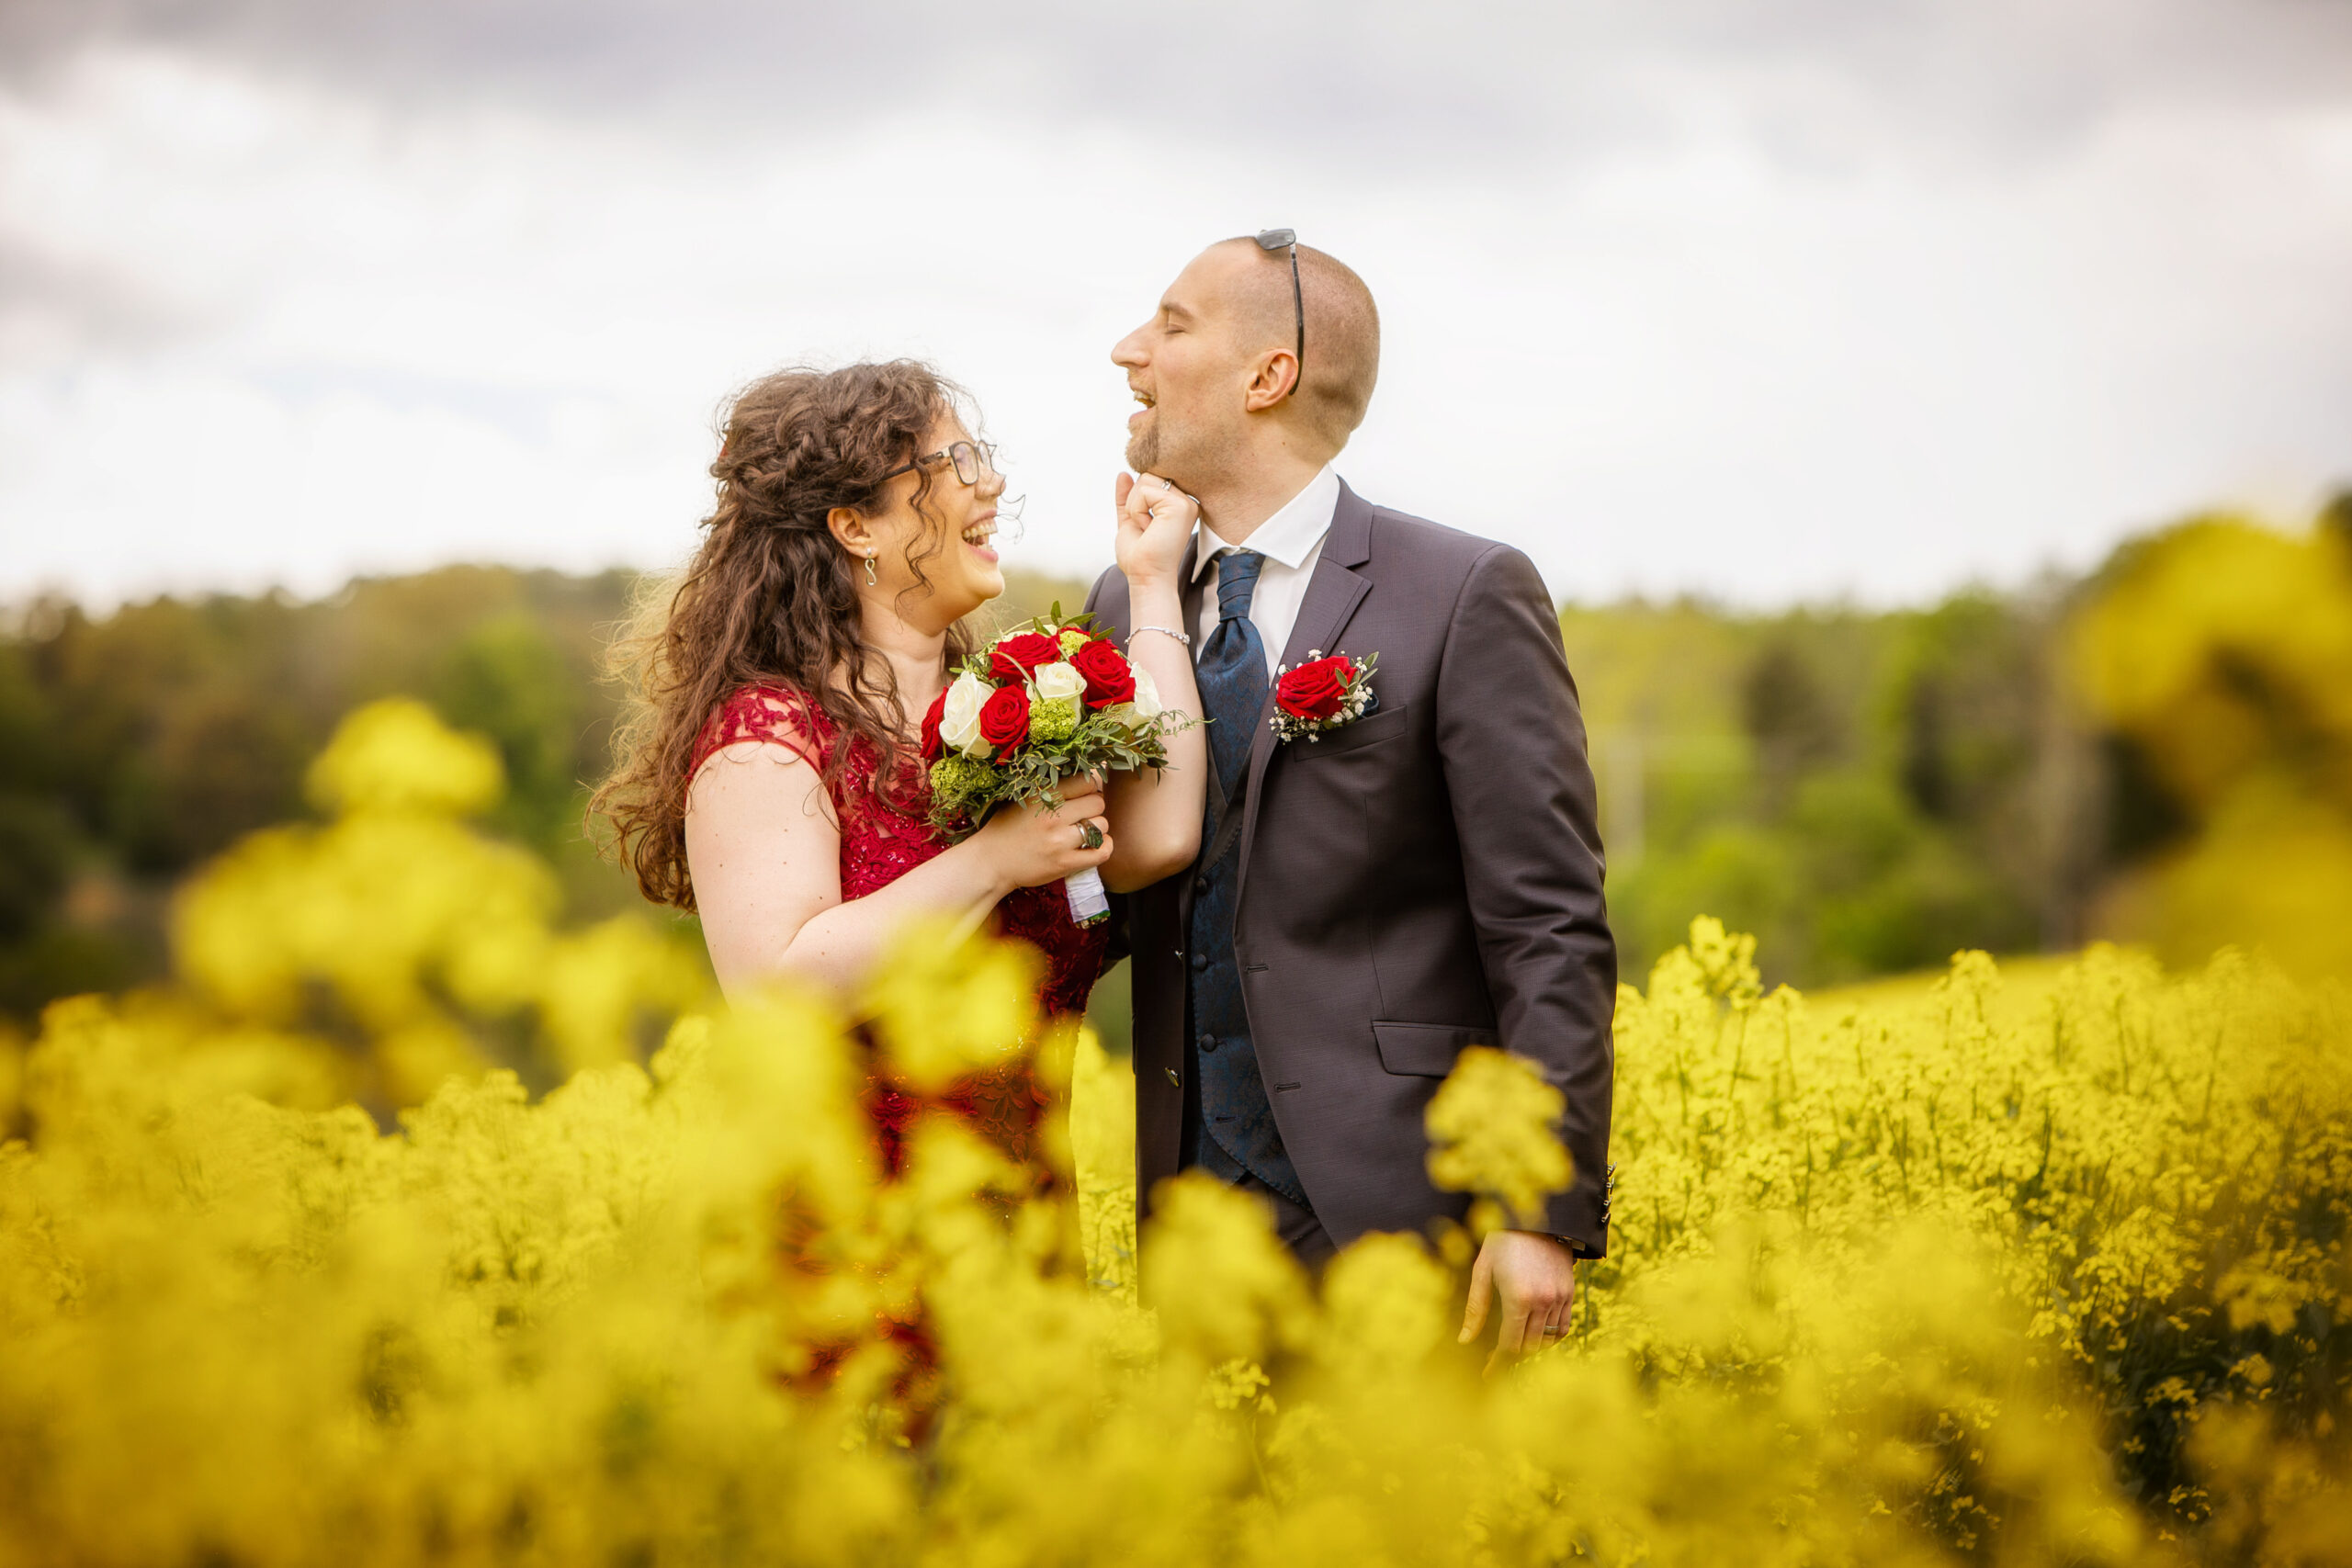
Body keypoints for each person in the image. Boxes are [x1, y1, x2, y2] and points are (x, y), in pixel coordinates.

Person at [592, 359, 1207, 1411]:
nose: (990, 485)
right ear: (855, 527)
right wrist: (994, 861)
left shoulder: (1010, 713)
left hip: (1024, 1264)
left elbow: (1159, 841)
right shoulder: (769, 737)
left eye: (981, 456)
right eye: (952, 461)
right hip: (851, 1277)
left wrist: (1152, 585)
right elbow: (780, 989)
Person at [1087, 234, 1617, 1361]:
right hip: (1186, 1221)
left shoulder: (1461, 591)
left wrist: (1541, 1214)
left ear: (1266, 376)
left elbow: (1547, 927)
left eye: (1172, 325)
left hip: (1407, 1214)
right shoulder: (1125, 602)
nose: (1128, 350)